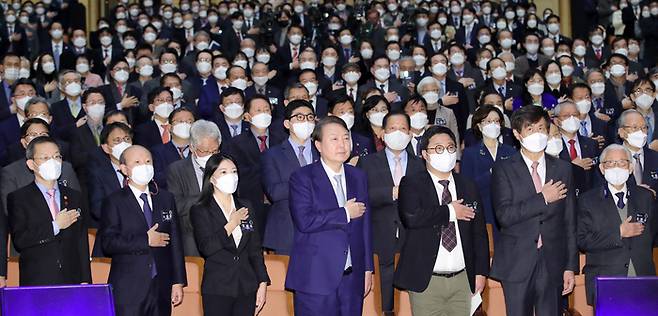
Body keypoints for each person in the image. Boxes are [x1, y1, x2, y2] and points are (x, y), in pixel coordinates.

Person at [490, 106, 578, 315]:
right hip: (517, 262)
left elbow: (570, 221)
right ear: (517, 134)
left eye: (541, 128)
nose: (537, 134)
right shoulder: (504, 169)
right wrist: (542, 199)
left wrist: (570, 266)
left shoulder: (563, 168)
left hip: (553, 262)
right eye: (530, 129)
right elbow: (504, 216)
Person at [394, 125, 490, 315]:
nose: (445, 152)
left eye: (450, 147)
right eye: (438, 148)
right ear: (425, 154)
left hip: (463, 279)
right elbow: (412, 217)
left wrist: (481, 272)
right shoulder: (412, 183)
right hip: (427, 280)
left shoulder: (468, 185)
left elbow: (479, 234)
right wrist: (449, 211)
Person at [286, 115, 373, 316]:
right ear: (318, 145)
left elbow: (365, 226)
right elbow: (304, 221)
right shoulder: (302, 177)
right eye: (334, 139)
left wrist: (367, 268)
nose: (342, 144)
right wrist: (344, 213)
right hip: (316, 277)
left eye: (345, 138)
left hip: (352, 277)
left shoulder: (357, 176)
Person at [100, 145, 186, 316]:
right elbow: (108, 242)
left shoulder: (165, 198)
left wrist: (178, 282)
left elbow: (175, 241)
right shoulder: (114, 201)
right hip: (129, 288)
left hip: (161, 285)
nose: (144, 166)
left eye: (148, 161)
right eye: (137, 162)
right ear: (124, 169)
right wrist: (145, 240)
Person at [356, 112, 424, 313]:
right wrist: (391, 193)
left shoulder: (420, 164)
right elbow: (361, 197)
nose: (398, 133)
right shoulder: (367, 163)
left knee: (410, 297)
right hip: (380, 235)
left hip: (412, 237)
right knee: (384, 297)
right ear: (383, 134)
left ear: (410, 134)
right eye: (393, 129)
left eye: (403, 129)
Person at [190, 153, 270, 314]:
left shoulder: (245, 205)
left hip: (246, 285)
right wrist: (232, 224)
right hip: (218, 287)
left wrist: (262, 282)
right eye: (224, 172)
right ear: (211, 178)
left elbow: (254, 249)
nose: (231, 176)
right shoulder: (200, 209)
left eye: (234, 172)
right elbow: (207, 247)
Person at [577, 144, 657, 306]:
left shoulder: (646, 197)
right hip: (607, 281)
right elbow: (582, 240)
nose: (616, 168)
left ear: (630, 167)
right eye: (610, 163)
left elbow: (653, 235)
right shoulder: (588, 200)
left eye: (621, 163)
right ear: (601, 168)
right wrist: (618, 233)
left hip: (642, 278)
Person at [7, 136, 90, 286]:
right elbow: (20, 240)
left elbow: (81, 241)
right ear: (31, 164)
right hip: (37, 277)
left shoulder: (74, 196)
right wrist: (55, 226)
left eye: (57, 156)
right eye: (45, 157)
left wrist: (85, 279)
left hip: (72, 277)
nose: (53, 161)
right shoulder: (19, 198)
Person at [261, 100, 319, 254]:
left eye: (309, 117)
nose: (305, 121)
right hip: (286, 231)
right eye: (299, 117)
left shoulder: (322, 151)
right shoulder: (272, 154)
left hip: (320, 229)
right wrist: (310, 182)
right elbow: (274, 192)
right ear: (287, 123)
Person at [167, 120, 222, 257]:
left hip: (222, 236)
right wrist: (208, 195)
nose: (211, 155)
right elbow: (176, 205)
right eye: (205, 151)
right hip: (191, 239)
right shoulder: (176, 170)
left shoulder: (225, 166)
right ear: (191, 147)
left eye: (215, 151)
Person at [461, 105, 517, 237]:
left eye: (496, 121)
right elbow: (467, 187)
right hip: (484, 213)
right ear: (479, 126)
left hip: (510, 212)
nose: (493, 125)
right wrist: (492, 173)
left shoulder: (511, 152)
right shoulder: (470, 154)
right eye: (488, 121)